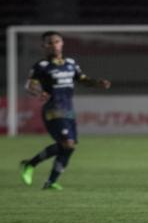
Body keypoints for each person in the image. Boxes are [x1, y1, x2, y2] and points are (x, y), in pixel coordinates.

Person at [19, 31, 111, 190]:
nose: (53, 45)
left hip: (68, 109)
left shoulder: (71, 63)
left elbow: (82, 79)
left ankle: (50, 182)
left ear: (62, 43)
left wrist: (98, 83)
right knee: (67, 144)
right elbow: (30, 85)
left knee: (70, 146)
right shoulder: (41, 66)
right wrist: (39, 92)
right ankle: (29, 164)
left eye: (56, 41)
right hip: (53, 109)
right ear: (44, 46)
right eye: (49, 43)